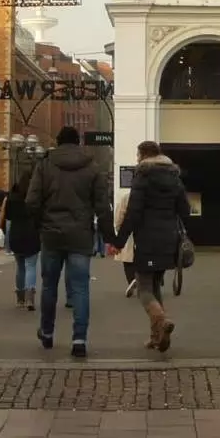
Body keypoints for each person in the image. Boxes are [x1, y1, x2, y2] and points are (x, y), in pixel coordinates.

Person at [26, 127, 115, 358]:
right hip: (80, 235)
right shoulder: (92, 167)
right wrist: (110, 237)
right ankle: (79, 339)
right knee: (80, 288)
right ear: (78, 143)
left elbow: (32, 201)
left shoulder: (45, 165)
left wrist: (40, 226)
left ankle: (47, 332)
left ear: (58, 142)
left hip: (51, 234)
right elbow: (103, 206)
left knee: (49, 286)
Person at [111, 141, 190, 353]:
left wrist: (119, 241)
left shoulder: (143, 176)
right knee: (155, 286)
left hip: (147, 240)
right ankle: (156, 337)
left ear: (144, 155)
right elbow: (185, 209)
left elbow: (133, 212)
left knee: (144, 288)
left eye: (138, 155)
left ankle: (161, 320)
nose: (136, 159)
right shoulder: (174, 177)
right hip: (169, 240)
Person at [0, 170, 40, 311]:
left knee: (20, 267)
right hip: (32, 234)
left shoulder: (11, 197)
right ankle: (30, 297)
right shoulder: (35, 197)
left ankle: (20, 298)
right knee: (31, 266)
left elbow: (7, 216)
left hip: (16, 234)